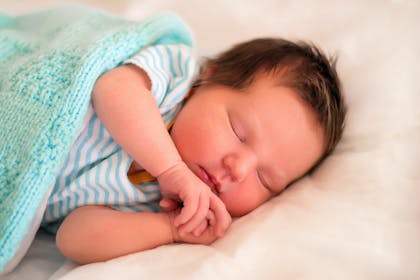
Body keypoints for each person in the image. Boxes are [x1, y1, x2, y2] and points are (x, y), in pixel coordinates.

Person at [42, 38, 346, 264]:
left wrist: (169, 229)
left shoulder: (164, 205)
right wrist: (170, 169)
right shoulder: (174, 80)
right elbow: (113, 88)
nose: (238, 169)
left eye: (264, 179)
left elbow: (73, 238)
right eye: (239, 133)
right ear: (208, 78)